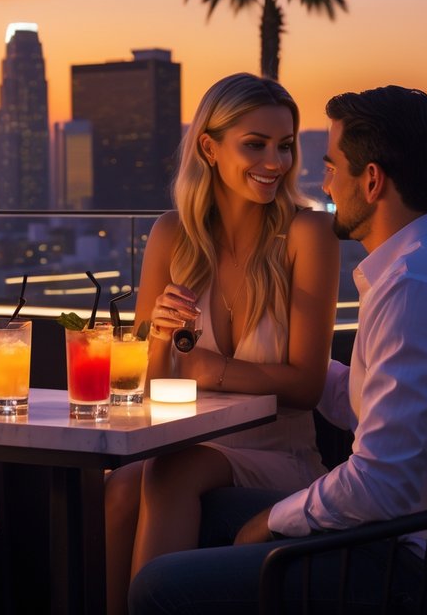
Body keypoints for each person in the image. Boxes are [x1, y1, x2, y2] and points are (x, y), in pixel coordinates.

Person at [128, 86, 427, 614]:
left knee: (160, 586)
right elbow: (374, 404)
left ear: (371, 181)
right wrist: (277, 365)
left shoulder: (416, 290)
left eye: (331, 167)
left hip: (424, 564)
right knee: (155, 491)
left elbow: (381, 486)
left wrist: (270, 521)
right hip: (424, 531)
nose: (319, 182)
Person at [105, 72, 340, 614]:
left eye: (285, 146)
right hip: (194, 443)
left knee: (172, 470)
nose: (275, 162)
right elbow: (143, 382)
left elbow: (305, 386)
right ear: (209, 148)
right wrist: (160, 338)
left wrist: (207, 368)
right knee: (120, 486)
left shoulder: (309, 234)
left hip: (281, 454)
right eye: (254, 145)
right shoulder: (172, 235)